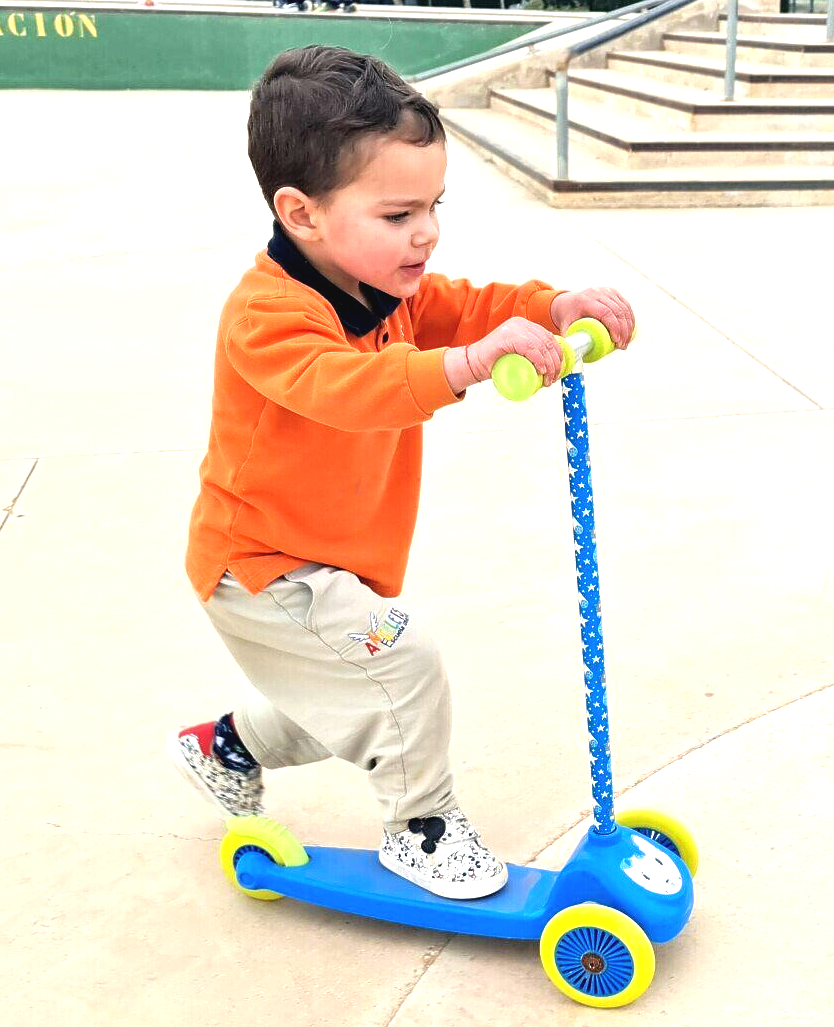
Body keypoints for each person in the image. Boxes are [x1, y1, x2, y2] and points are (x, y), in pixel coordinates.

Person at [167, 45, 637, 900]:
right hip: (260, 565)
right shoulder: (268, 316)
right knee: (403, 669)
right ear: (302, 213)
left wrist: (550, 308)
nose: (426, 231)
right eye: (397, 213)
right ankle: (421, 826)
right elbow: (349, 390)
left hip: (329, 558)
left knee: (349, 699)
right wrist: (465, 366)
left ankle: (225, 747)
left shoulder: (389, 285)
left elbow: (467, 304)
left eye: (434, 205)